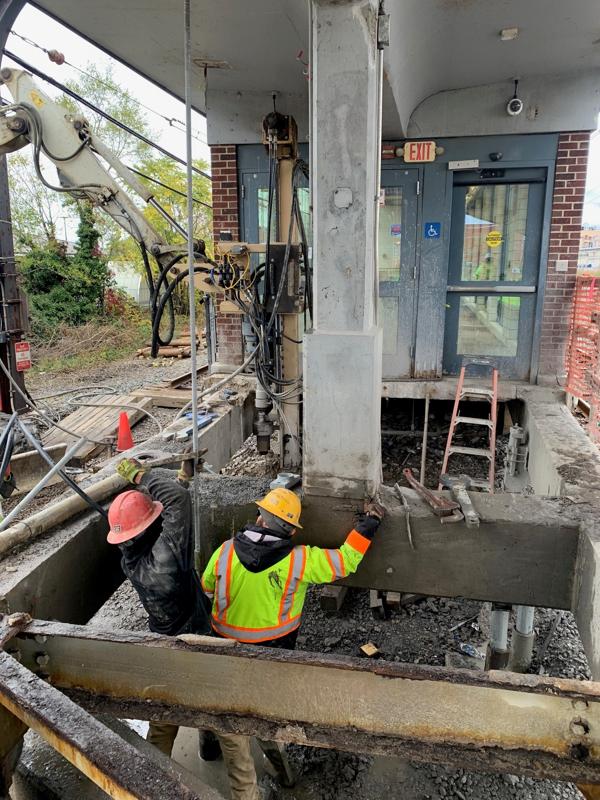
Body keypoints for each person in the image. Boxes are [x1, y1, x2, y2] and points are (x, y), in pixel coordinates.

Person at [201, 487, 386, 800]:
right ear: (290, 529)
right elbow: (345, 562)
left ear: (260, 518)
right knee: (265, 717)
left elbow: (207, 587)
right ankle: (283, 776)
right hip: (273, 658)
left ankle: (210, 749)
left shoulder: (225, 551)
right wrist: (368, 524)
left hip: (223, 658)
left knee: (225, 724)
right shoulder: (299, 561)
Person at [107, 456, 221, 761]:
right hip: (195, 634)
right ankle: (209, 746)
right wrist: (142, 476)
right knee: (207, 700)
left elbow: (165, 519)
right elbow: (177, 502)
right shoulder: (166, 556)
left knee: (163, 716)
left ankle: (154, 774)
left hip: (163, 640)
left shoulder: (129, 557)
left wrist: (182, 477)